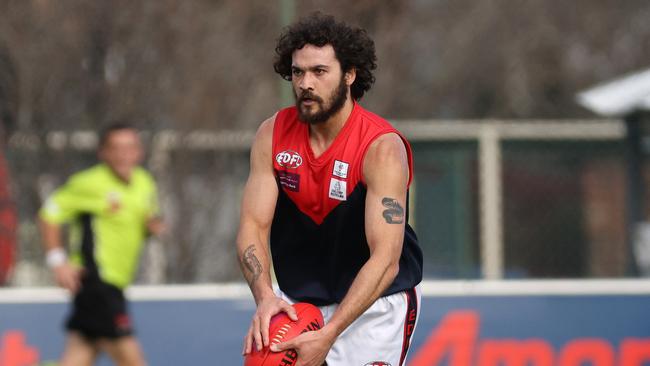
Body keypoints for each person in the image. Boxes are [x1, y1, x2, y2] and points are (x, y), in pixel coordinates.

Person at [238, 12, 423, 366]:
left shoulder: (380, 148)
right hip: (301, 304)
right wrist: (264, 296)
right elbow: (252, 227)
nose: (306, 83)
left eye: (319, 72)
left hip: (375, 307)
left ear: (350, 75)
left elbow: (385, 260)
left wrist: (331, 330)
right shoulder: (272, 135)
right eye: (298, 72)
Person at [39, 123, 163, 366]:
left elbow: (145, 222)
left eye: (129, 147)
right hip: (96, 282)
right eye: (116, 148)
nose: (123, 154)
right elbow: (48, 215)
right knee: (132, 360)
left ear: (139, 152)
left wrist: (151, 229)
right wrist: (58, 262)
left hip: (118, 283)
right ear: (103, 153)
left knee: (79, 356)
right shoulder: (88, 183)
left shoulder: (145, 183)